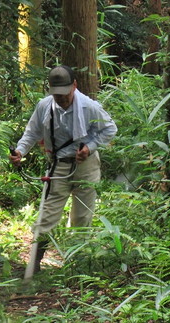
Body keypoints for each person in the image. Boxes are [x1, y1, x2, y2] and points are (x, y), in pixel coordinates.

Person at [9, 65, 117, 273]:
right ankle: (33, 266)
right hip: (58, 166)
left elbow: (110, 128)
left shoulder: (89, 106)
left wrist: (89, 147)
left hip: (86, 166)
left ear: (74, 86)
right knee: (46, 216)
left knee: (81, 218)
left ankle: (77, 267)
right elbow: (32, 133)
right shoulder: (44, 106)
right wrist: (20, 151)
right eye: (57, 95)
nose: (62, 99)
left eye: (65, 94)